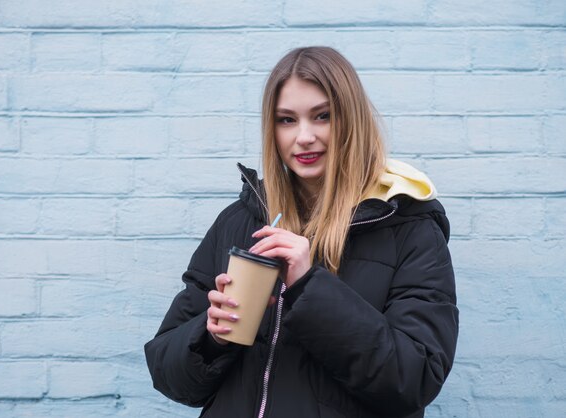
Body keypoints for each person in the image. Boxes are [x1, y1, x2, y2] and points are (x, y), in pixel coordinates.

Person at [144, 46, 458, 418]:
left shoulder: (408, 228)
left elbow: (416, 379)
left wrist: (309, 286)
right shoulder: (240, 220)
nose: (304, 137)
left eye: (322, 116)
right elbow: (167, 372)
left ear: (351, 119)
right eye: (287, 120)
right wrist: (210, 337)